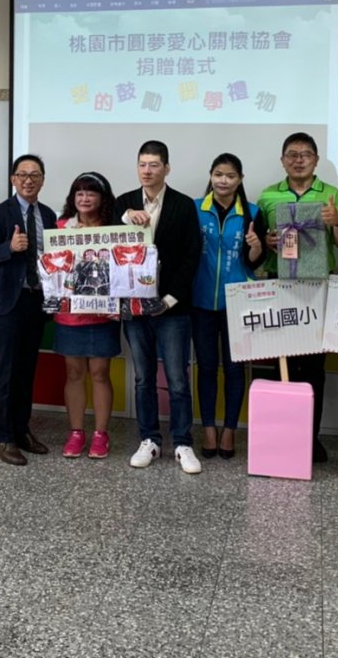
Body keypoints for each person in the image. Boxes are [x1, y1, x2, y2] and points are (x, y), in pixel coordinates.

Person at [257, 132, 338, 463]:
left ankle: (309, 437)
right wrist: (267, 241)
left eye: (306, 154)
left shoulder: (332, 194)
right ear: (282, 160)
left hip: (317, 286)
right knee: (281, 362)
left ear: (316, 160)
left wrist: (337, 222)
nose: (299, 160)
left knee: (313, 366)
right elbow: (260, 240)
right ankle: (281, 435)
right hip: (279, 284)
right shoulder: (268, 196)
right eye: (292, 154)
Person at [116, 140, 204, 474]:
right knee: (143, 378)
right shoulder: (124, 203)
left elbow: (191, 255)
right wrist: (126, 217)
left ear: (167, 168)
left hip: (172, 309)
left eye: (154, 165)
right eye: (142, 164)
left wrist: (170, 299)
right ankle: (149, 440)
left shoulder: (183, 204)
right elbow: (108, 240)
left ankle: (182, 442)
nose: (147, 171)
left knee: (178, 378)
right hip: (135, 308)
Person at [0, 154, 57, 466]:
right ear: (13, 179)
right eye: (22, 174)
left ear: (43, 180)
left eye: (35, 175)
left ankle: (21, 430)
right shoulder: (0, 213)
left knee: (26, 370)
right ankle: (2, 437)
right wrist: (9, 248)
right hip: (6, 304)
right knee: (5, 371)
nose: (28, 180)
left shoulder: (48, 215)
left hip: (35, 302)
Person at [192, 153, 266, 459]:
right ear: (210, 175)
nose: (224, 181)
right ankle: (208, 428)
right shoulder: (195, 209)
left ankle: (230, 430)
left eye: (231, 176)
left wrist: (256, 247)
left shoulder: (253, 212)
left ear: (240, 179)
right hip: (200, 301)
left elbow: (256, 262)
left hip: (239, 303)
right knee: (207, 367)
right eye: (219, 174)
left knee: (235, 369)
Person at [51, 172, 120, 460]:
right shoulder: (61, 227)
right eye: (79, 193)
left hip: (103, 314)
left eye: (91, 193)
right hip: (70, 314)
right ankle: (76, 432)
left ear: (102, 198)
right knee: (74, 372)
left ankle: (101, 434)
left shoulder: (114, 229)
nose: (85, 198)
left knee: (100, 372)